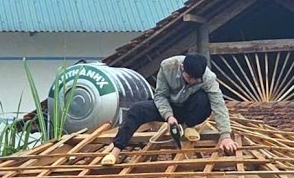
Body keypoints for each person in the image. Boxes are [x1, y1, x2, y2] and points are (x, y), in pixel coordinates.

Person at [101, 53, 238, 165]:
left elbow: (218, 105)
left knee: (203, 99)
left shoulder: (208, 78)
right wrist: (169, 116)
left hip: (189, 110)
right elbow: (160, 96)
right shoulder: (168, 67)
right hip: (167, 105)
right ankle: (115, 151)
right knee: (137, 110)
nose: (192, 81)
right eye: (189, 78)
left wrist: (225, 136)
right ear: (182, 68)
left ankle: (187, 126)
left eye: (195, 80)